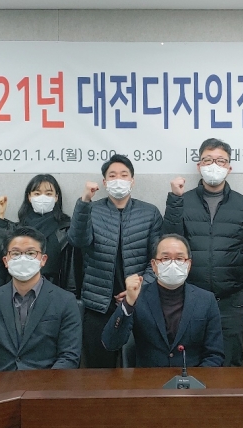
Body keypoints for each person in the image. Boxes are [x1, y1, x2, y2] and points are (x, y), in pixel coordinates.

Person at [164, 138, 243, 367]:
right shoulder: (182, 201)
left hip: (231, 301)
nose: (214, 165)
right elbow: (168, 243)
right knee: (188, 364)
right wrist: (174, 201)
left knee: (229, 366)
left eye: (221, 161)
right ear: (199, 165)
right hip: (189, 299)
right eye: (208, 160)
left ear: (229, 168)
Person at [68, 154, 164, 368]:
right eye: (112, 176)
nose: (118, 180)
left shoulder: (149, 213)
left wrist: (140, 288)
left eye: (124, 175)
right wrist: (84, 201)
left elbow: (158, 259)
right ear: (104, 182)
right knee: (100, 371)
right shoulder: (92, 209)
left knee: (140, 369)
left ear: (132, 180)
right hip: (98, 305)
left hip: (138, 303)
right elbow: (77, 240)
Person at [0, 226, 82, 371]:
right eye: (16, 253)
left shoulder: (65, 301)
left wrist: (45, 383)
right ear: (6, 261)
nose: (23, 258)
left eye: (31, 253)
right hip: (0, 381)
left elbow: (69, 356)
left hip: (44, 381)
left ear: (43, 260)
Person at [102, 234, 225, 367]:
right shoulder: (138, 297)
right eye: (165, 258)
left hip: (192, 377)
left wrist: (196, 378)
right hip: (149, 378)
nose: (173, 264)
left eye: (179, 258)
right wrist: (128, 303)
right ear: (154, 265)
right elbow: (110, 343)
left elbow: (214, 355)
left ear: (188, 264)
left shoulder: (206, 300)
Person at [0, 174, 80, 295]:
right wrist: (0, 215)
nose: (42, 197)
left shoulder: (66, 229)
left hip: (54, 292)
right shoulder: (18, 229)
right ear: (29, 197)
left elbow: (71, 271)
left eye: (48, 193)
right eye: (37, 193)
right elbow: (0, 255)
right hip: (19, 291)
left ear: (56, 197)